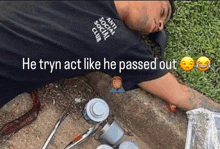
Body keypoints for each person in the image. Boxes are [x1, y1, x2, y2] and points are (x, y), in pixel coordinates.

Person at [0, 1, 220, 112]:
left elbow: (180, 95)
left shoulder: (120, 43)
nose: (160, 24)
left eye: (160, 27)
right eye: (162, 12)